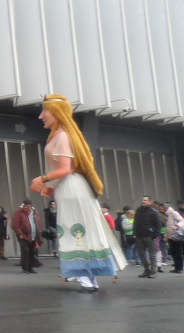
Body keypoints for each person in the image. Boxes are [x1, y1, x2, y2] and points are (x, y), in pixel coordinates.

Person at [30, 94, 125, 290]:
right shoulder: (61, 134)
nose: (41, 116)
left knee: (76, 228)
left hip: (72, 189)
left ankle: (85, 274)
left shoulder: (62, 135)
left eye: (45, 111)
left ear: (56, 113)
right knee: (77, 229)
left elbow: (66, 168)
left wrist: (43, 179)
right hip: (69, 188)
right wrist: (50, 186)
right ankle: (85, 273)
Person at [133, 196, 163, 279]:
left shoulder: (153, 212)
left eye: (145, 200)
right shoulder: (138, 210)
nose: (143, 201)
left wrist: (154, 235)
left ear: (150, 202)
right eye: (142, 200)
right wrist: (134, 233)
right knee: (141, 255)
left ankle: (153, 271)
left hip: (150, 237)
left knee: (152, 255)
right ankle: (146, 270)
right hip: (139, 236)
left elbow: (158, 225)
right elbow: (135, 222)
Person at [11, 200, 42, 273]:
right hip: (23, 235)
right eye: (25, 206)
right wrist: (20, 234)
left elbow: (38, 223)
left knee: (32, 251)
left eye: (28, 206)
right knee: (25, 250)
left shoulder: (34, 213)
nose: (26, 208)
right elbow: (15, 225)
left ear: (31, 206)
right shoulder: (19, 213)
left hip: (33, 235)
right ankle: (25, 268)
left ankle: (30, 268)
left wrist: (39, 232)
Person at [167, 200, 184, 273]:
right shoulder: (177, 212)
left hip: (180, 234)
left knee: (178, 251)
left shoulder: (175, 213)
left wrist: (177, 226)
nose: (180, 206)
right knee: (175, 251)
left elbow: (182, 221)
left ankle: (179, 267)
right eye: (179, 204)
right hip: (177, 234)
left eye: (181, 204)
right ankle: (178, 267)